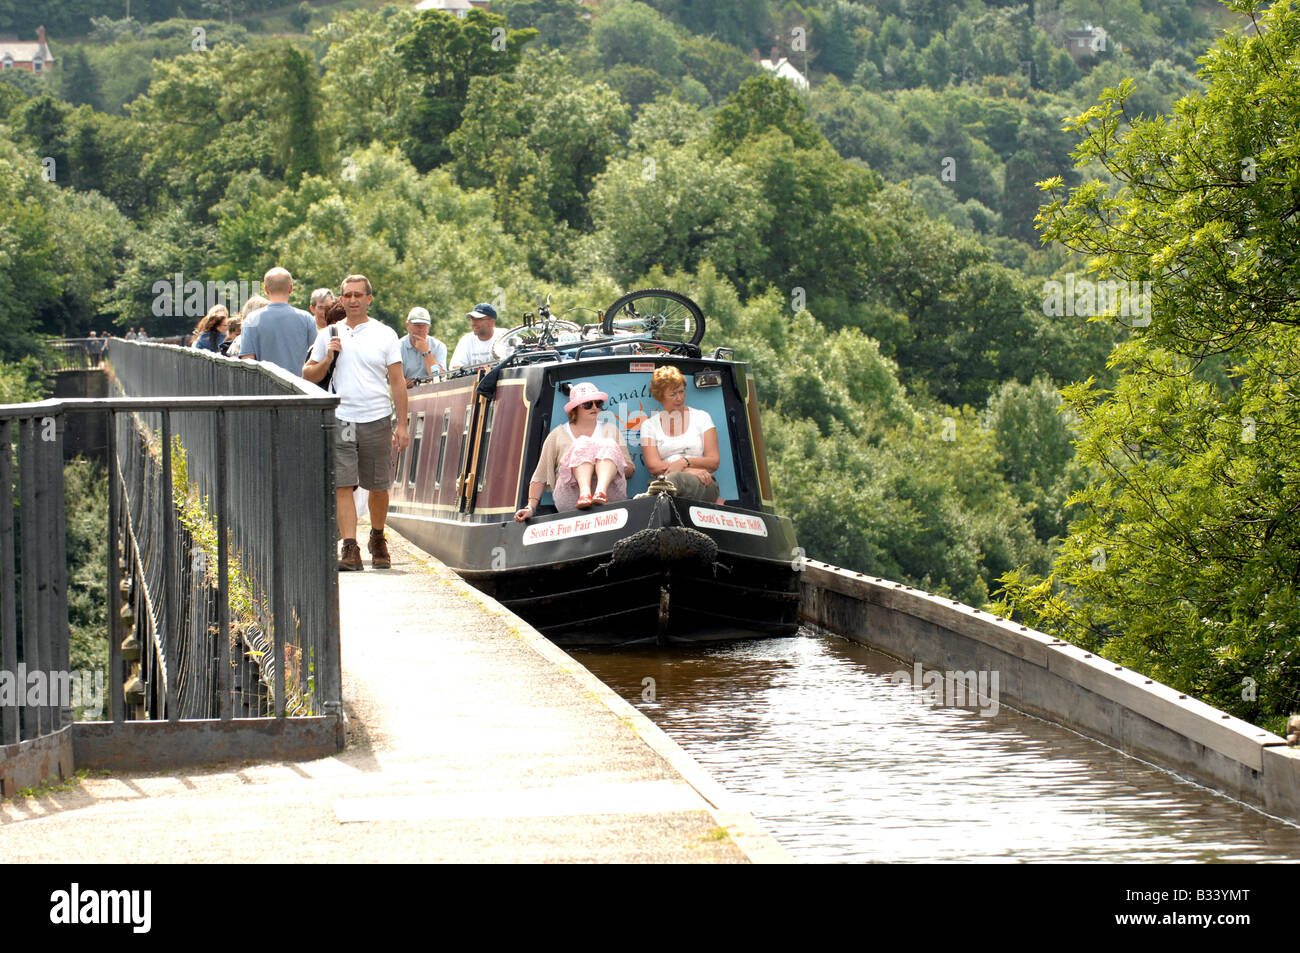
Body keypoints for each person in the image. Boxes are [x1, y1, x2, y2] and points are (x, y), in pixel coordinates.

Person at [303, 274, 409, 571]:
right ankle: (350, 548)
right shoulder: (328, 333)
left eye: (358, 295)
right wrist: (328, 358)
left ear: (368, 298)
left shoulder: (385, 334)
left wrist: (401, 425)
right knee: (343, 484)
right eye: (347, 295)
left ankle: (377, 537)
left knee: (378, 486)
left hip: (376, 416)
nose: (352, 300)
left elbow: (397, 382)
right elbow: (307, 374)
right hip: (341, 417)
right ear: (341, 299)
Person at [515, 382, 635, 521]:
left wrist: (610, 464)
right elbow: (540, 475)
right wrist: (530, 507)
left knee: (607, 445)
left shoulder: (611, 430)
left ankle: (600, 492)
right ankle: (585, 494)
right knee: (582, 444)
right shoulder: (557, 435)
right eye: (588, 404)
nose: (594, 407)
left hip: (610, 496)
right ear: (575, 409)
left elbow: (630, 470)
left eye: (598, 403)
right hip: (571, 498)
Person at [640, 365, 721, 502]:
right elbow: (653, 466)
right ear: (660, 397)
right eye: (673, 394)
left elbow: (713, 461)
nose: (679, 398)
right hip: (666, 480)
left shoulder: (702, 417)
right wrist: (686, 470)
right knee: (669, 481)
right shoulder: (649, 425)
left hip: (703, 482)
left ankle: (655, 498)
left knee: (672, 480)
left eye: (681, 392)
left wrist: (685, 462)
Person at [239, 267, 317, 375]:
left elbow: (248, 361)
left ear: (266, 290)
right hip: (301, 387)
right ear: (290, 288)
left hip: (265, 388)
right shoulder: (307, 319)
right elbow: (316, 357)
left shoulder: (251, 320)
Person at [449, 302, 505, 370]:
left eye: (479, 319)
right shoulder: (466, 340)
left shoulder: (504, 336)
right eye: (472, 319)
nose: (473, 323)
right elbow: (455, 368)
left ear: (492, 322)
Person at [400, 306, 447, 385]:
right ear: (407, 325)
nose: (421, 329)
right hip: (408, 395)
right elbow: (397, 382)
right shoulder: (398, 347)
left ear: (429, 327)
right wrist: (423, 382)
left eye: (424, 325)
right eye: (417, 325)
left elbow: (440, 378)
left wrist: (426, 352)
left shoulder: (439, 346)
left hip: (434, 394)